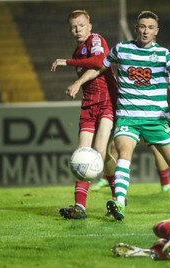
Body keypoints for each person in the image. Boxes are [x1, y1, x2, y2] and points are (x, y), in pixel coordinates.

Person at [67, 10, 170, 221]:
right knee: (123, 154)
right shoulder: (121, 49)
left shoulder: (163, 53)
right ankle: (119, 203)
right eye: (142, 27)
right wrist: (79, 82)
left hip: (155, 120)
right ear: (136, 28)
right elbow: (100, 67)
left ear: (156, 31)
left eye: (150, 28)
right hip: (128, 118)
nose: (146, 31)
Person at [50, 9, 118, 219]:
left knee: (98, 152)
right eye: (73, 26)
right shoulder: (77, 52)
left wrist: (74, 77)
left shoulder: (96, 40)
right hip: (89, 105)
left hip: (107, 102)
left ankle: (118, 201)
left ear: (90, 25)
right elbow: (93, 68)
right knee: (84, 153)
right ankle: (80, 207)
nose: (77, 29)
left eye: (81, 24)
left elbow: (99, 62)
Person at [91, 77, 170, 193]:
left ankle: (165, 185)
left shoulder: (161, 60)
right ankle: (107, 179)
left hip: (152, 115)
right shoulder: (129, 62)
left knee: (156, 148)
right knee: (114, 147)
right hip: (131, 115)